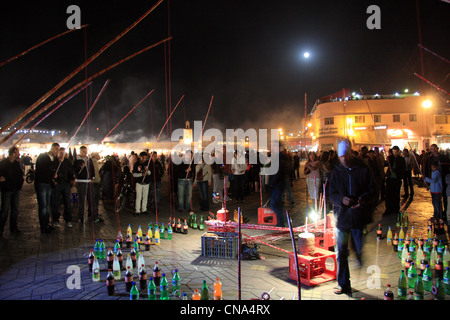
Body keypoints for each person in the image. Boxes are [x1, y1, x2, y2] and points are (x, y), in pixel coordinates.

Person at [328, 139, 375, 296]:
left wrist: (363, 200)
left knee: (358, 246)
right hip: (342, 218)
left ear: (350, 153)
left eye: (346, 156)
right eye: (340, 157)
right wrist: (342, 200)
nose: (343, 160)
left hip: (359, 217)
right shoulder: (336, 172)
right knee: (341, 251)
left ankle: (359, 258)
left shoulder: (363, 169)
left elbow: (373, 190)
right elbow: (331, 193)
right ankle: (344, 284)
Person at [35, 143, 60, 233]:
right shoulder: (43, 157)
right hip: (42, 183)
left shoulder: (54, 159)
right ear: (52, 148)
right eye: (56, 149)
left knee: (47, 206)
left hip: (48, 183)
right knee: (43, 206)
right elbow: (44, 169)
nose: (57, 152)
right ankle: (43, 226)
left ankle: (46, 224)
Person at [0, 147, 24, 236]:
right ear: (13, 153)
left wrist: (19, 185)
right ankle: (1, 228)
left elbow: (19, 175)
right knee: (4, 210)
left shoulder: (16, 164)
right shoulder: (3, 163)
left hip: (15, 189)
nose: (19, 154)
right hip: (6, 190)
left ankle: (13, 227)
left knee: (15, 210)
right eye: (18, 152)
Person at [51, 148, 74, 228]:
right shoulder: (55, 162)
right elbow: (52, 171)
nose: (61, 154)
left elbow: (71, 172)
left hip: (66, 184)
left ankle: (68, 219)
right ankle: (55, 220)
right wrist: (55, 177)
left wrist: (72, 180)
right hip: (58, 184)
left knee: (67, 202)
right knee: (56, 202)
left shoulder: (67, 162)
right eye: (60, 153)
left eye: (63, 153)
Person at [269, 144, 290, 227]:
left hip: (277, 184)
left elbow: (277, 172)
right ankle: (280, 222)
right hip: (279, 183)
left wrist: (272, 182)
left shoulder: (279, 158)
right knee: (277, 204)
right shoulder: (281, 157)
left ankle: (281, 222)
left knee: (274, 204)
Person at [426, 144, 449, 219]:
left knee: (445, 197)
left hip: (443, 179)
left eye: (435, 148)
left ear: (437, 148)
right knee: (436, 199)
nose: (434, 150)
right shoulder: (430, 159)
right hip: (435, 183)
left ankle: (445, 212)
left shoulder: (444, 157)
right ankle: (438, 213)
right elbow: (427, 169)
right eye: (432, 149)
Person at [384, 146, 405, 216]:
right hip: (390, 179)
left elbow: (402, 169)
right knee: (388, 195)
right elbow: (385, 164)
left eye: (396, 152)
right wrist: (386, 161)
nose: (395, 153)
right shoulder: (390, 158)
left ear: (398, 152)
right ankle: (388, 209)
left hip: (397, 179)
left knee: (396, 194)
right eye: (394, 152)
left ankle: (396, 209)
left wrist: (395, 171)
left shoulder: (401, 159)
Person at [73, 146, 90, 223]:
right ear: (80, 151)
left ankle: (90, 215)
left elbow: (91, 169)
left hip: (89, 181)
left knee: (89, 199)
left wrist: (92, 177)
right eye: (83, 151)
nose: (85, 152)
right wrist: (80, 167)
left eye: (85, 151)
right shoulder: (77, 160)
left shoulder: (89, 159)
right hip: (81, 181)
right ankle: (81, 216)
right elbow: (74, 170)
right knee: (82, 199)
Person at [133, 151, 151, 215]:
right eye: (143, 158)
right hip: (139, 183)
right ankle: (137, 210)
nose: (144, 159)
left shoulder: (148, 164)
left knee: (145, 197)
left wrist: (147, 171)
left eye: (145, 158)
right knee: (138, 197)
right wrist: (141, 174)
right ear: (140, 157)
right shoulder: (136, 164)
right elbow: (134, 174)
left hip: (146, 183)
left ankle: (144, 209)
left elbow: (150, 173)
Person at [88, 152, 103, 223]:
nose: (99, 156)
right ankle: (94, 216)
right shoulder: (93, 162)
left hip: (94, 182)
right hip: (94, 183)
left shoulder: (94, 162)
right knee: (94, 199)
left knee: (93, 199)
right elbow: (95, 173)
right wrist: (98, 180)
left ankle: (92, 214)